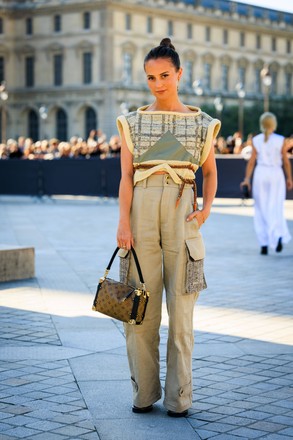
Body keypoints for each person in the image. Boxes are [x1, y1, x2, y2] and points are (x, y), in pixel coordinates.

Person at [116, 38, 220, 417]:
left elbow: (210, 172)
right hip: (141, 211)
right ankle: (144, 394)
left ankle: (180, 399)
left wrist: (206, 210)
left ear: (179, 73)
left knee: (182, 314)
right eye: (150, 77)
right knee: (138, 311)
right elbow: (126, 177)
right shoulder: (131, 122)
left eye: (164, 75)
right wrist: (123, 222)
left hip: (183, 213)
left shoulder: (202, 124)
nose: (158, 84)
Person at [240, 112, 293, 255]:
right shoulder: (280, 140)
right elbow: (286, 161)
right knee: (275, 206)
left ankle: (263, 243)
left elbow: (251, 162)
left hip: (260, 174)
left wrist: (247, 179)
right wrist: (289, 178)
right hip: (276, 174)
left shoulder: (256, 140)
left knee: (260, 208)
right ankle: (277, 236)